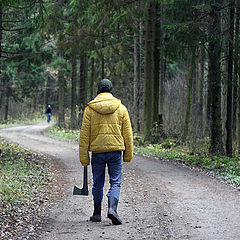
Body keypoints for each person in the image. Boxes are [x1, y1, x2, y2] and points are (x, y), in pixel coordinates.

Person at [79, 79, 133, 225]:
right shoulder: (121, 108)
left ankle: (97, 214)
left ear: (98, 90)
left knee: (97, 183)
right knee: (115, 181)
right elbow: (128, 134)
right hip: (115, 151)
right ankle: (112, 209)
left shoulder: (90, 109)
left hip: (97, 152)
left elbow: (84, 135)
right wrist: (128, 154)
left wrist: (84, 157)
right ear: (110, 90)